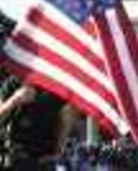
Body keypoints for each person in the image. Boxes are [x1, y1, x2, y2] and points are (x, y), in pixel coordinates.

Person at [0, 11, 79, 170]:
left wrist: (58, 149)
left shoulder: (57, 88)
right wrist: (14, 101)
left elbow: (65, 123)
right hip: (17, 159)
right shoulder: (14, 84)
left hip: (44, 162)